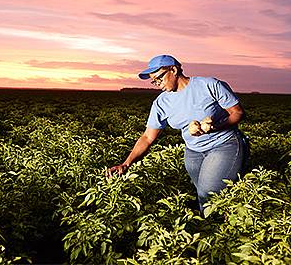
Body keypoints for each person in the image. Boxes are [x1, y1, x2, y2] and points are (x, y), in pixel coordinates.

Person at [106, 54, 249, 214]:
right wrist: (126, 163)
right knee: (205, 194)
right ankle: (217, 223)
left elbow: (238, 112)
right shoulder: (161, 103)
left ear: (173, 70)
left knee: (208, 195)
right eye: (153, 81)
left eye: (159, 78)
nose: (157, 84)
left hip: (223, 145)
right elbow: (147, 138)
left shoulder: (208, 85)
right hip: (193, 152)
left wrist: (214, 126)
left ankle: (216, 231)